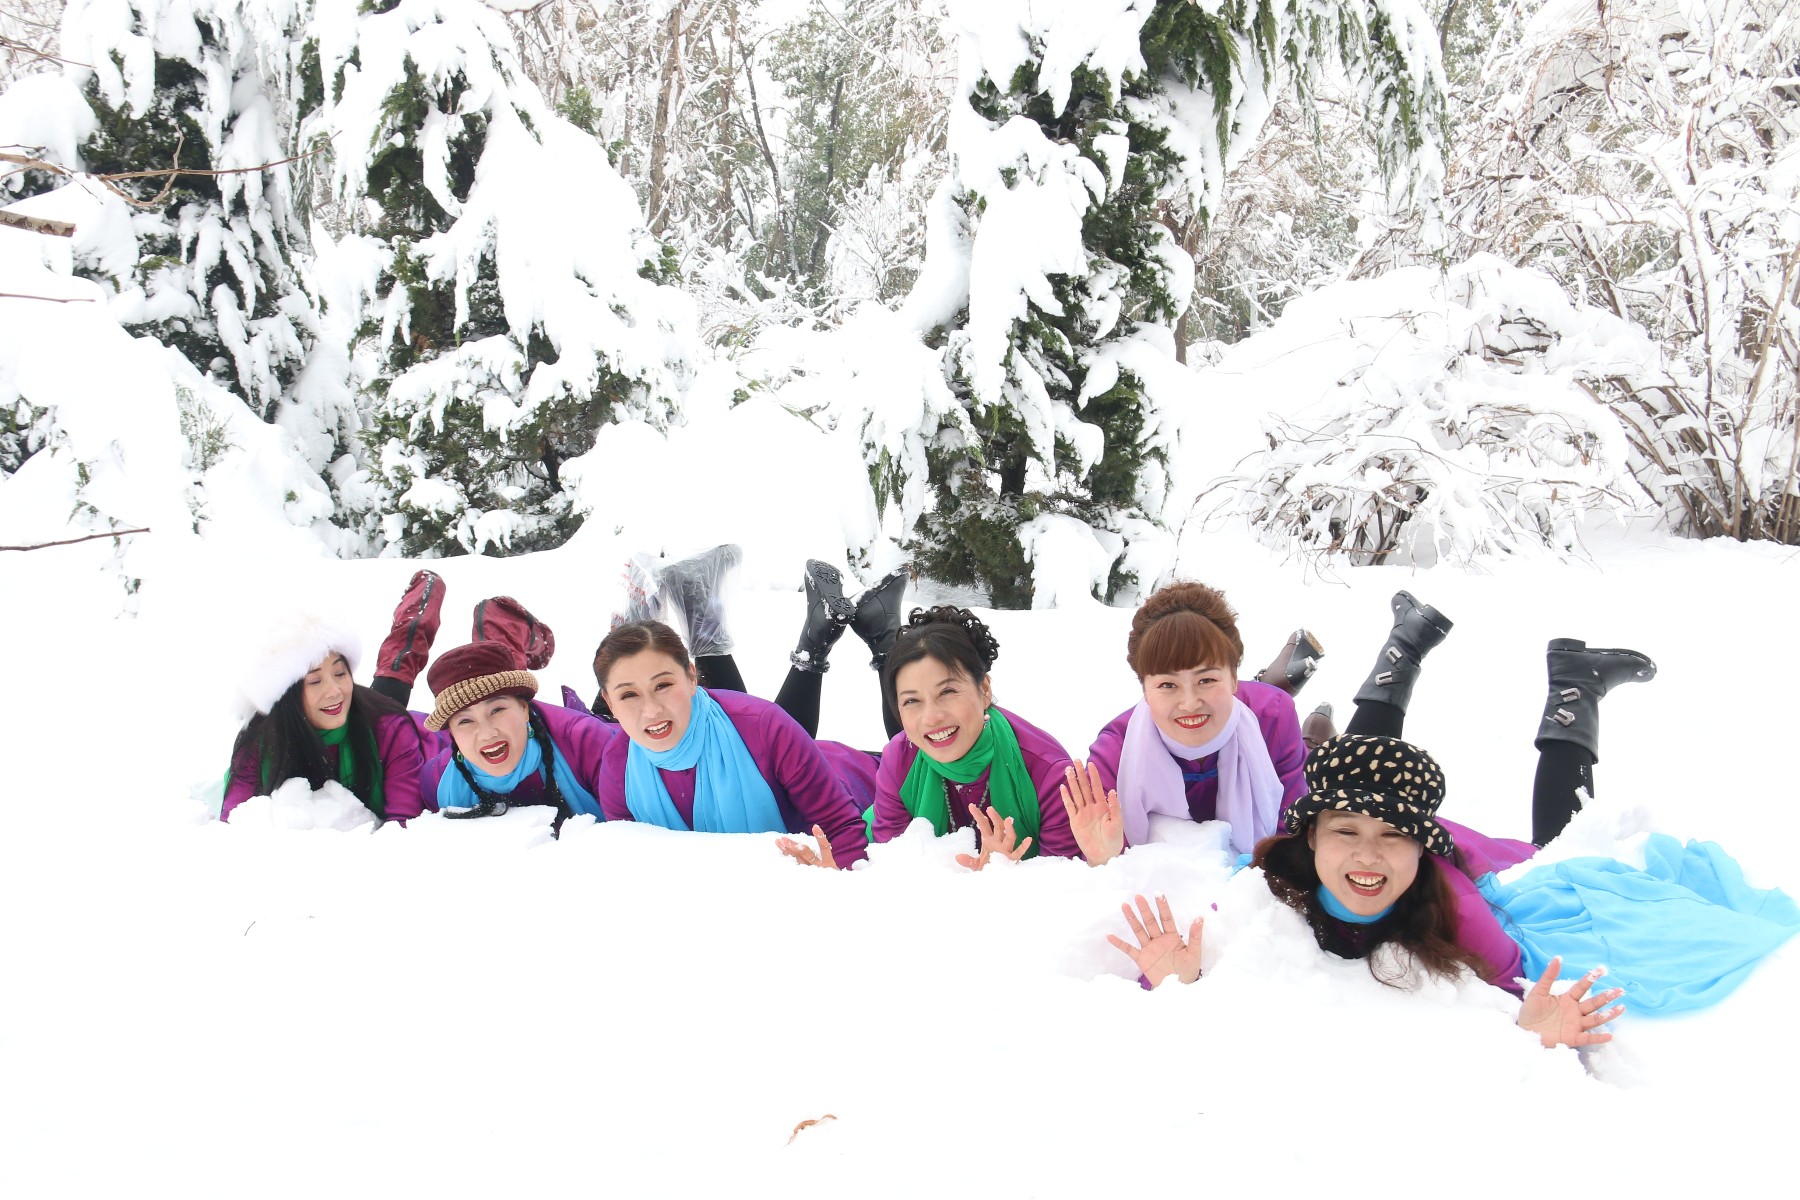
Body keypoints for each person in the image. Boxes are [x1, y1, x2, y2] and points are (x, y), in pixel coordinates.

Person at [1107, 735, 1628, 1049]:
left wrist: (1531, 1028)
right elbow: (1209, 979)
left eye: (1393, 836)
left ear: (1421, 848)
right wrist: (1173, 983)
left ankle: (1572, 714)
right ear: (1312, 837)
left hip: (1479, 858)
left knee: (1552, 846)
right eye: (1345, 831)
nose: (1368, 855)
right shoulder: (1268, 882)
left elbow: (1515, 988)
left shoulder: (1459, 908)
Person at [1064, 581, 1308, 865]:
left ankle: (1314, 732)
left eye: (1206, 680)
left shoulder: (1273, 717)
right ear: (1144, 690)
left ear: (1233, 678)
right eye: (1168, 685)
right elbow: (1104, 861)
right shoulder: (1116, 753)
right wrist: (1103, 860)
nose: (1189, 703)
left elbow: (1292, 836)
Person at [221, 571, 453, 824]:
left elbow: (402, 823)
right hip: (363, 716)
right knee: (391, 682)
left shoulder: (391, 729)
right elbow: (232, 822)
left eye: (341, 673)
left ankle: (426, 606)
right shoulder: (261, 739)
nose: (334, 690)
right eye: (315, 680)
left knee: (398, 672)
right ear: (286, 696)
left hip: (409, 736)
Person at [865, 605, 1085, 868]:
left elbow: (1063, 877)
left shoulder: (1048, 774)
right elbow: (895, 867)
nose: (931, 717)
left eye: (947, 692)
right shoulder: (899, 760)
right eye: (912, 700)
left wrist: (1002, 877)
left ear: (984, 689)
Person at [419, 637, 618, 827]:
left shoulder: (587, 742)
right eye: (465, 721)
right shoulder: (437, 781)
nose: (487, 734)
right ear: (452, 733)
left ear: (524, 709)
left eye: (497, 710)